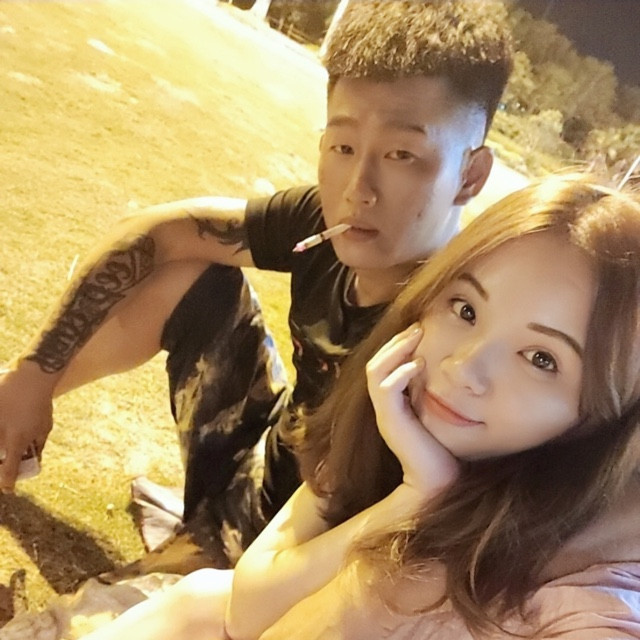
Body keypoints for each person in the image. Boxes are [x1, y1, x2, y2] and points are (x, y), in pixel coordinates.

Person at [0, 0, 513, 572]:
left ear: (470, 175)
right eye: (343, 147)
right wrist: (33, 378)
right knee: (186, 270)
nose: (357, 189)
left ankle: (198, 548)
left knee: (87, 616)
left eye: (401, 154)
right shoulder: (325, 223)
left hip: (294, 551)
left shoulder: (454, 332)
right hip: (264, 456)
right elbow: (158, 232)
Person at [80, 175, 640, 640]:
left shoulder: (586, 594)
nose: (462, 368)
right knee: (201, 601)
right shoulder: (396, 422)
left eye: (541, 358)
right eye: (465, 309)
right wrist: (416, 495)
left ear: (603, 413)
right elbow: (248, 609)